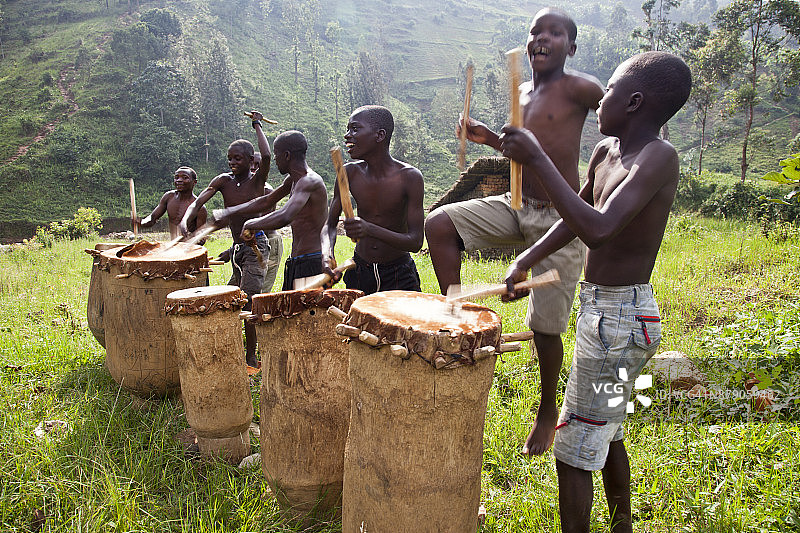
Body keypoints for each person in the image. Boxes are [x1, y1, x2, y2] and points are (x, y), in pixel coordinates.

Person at [499, 51, 691, 532]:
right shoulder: (608, 152)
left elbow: (599, 228)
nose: (600, 99)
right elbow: (575, 216)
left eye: (609, 92)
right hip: (606, 314)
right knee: (607, 429)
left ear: (635, 102)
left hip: (619, 319)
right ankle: (622, 523)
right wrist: (525, 259)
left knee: (573, 450)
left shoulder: (657, 157)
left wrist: (538, 158)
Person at [424, 6, 605, 455]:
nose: (541, 39)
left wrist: (606, 179)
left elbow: (617, 116)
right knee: (440, 223)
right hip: (516, 201)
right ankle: (457, 317)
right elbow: (518, 149)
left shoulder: (581, 87)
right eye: (535, 31)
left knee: (545, 328)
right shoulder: (520, 91)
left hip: (559, 217)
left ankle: (547, 412)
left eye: (554, 33)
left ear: (572, 46)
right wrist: (486, 137)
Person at [179, 111, 272, 369]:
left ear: (248, 160)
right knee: (232, 297)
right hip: (239, 249)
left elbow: (266, 156)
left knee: (250, 299)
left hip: (256, 247)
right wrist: (187, 217)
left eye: (238, 158)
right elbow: (199, 200)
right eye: (230, 158)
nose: (232, 162)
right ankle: (232, 346)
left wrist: (257, 124)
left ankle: (251, 356)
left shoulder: (258, 182)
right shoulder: (223, 181)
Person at [321, 105, 424, 294]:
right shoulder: (348, 173)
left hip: (398, 274)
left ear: (379, 135)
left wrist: (369, 229)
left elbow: (416, 242)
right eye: (347, 129)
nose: (347, 135)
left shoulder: (410, 177)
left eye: (355, 128)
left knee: (401, 324)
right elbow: (330, 225)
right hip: (360, 272)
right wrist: (327, 255)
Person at [213, 130, 328, 292]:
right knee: (288, 313)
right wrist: (231, 211)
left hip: (311, 261)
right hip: (296, 261)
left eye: (276, 155)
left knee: (306, 315)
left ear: (287, 155)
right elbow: (267, 200)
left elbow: (285, 216)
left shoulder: (309, 181)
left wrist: (251, 223)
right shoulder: (292, 180)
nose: (274, 159)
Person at [216, 152, 285, 293]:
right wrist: (234, 249)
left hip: (266, 241)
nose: (253, 168)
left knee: (258, 291)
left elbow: (259, 227)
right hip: (247, 243)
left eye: (257, 165)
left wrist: (234, 250)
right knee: (236, 289)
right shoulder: (239, 187)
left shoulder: (266, 190)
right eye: (251, 165)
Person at [134, 167, 207, 239]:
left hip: (190, 248)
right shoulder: (168, 197)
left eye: (185, 178)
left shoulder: (199, 207)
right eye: (176, 177)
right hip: (173, 246)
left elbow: (200, 235)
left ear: (194, 182)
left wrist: (199, 238)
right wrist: (141, 222)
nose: (179, 180)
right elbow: (152, 218)